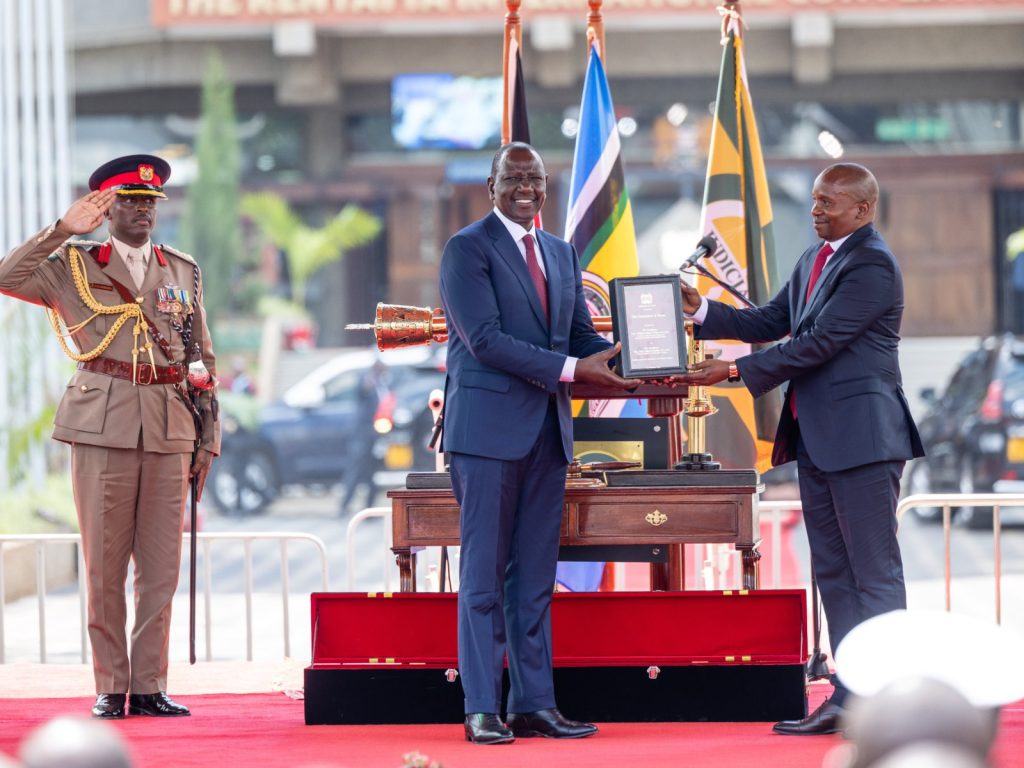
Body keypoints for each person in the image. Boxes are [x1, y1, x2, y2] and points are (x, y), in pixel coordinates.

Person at [680, 162, 924, 735]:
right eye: (814, 200)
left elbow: (819, 343)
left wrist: (732, 372)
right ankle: (850, 693)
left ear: (862, 209)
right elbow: (771, 320)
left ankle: (890, 701)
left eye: (828, 203)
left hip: (863, 440)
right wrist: (699, 311)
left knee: (874, 572)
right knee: (835, 570)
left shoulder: (872, 265)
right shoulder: (817, 258)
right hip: (818, 438)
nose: (815, 210)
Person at [0, 155, 220, 719]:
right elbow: (6, 276)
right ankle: (110, 684)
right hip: (103, 425)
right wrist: (61, 229)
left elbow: (201, 360)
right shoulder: (72, 264)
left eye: (150, 202)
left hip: (170, 426)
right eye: (129, 201)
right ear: (106, 208)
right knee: (104, 566)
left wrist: (207, 437)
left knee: (161, 567)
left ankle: (149, 685)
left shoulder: (181, 270)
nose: (142, 210)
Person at [439, 142, 641, 744]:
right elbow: (486, 340)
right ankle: (482, 706)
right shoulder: (466, 249)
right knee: (483, 577)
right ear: (492, 183)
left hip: (548, 435)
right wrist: (578, 371)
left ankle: (534, 703)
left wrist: (639, 358)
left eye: (535, 178)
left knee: (533, 577)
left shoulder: (560, 251)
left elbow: (578, 334)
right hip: (485, 437)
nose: (525, 187)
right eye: (513, 177)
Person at [338, 357, 390, 515]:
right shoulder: (368, 380)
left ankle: (369, 509)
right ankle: (344, 506)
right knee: (354, 471)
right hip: (362, 434)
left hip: (376, 436)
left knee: (372, 474)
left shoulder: (382, 385)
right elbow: (363, 389)